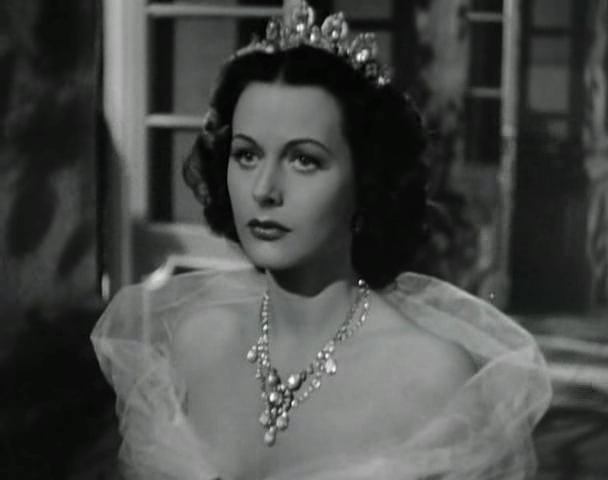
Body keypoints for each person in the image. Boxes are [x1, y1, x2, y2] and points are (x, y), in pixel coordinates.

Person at [91, 2, 552, 479]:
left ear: (366, 181)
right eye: (247, 155)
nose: (264, 189)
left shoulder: (431, 377)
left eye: (304, 160)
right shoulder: (198, 344)